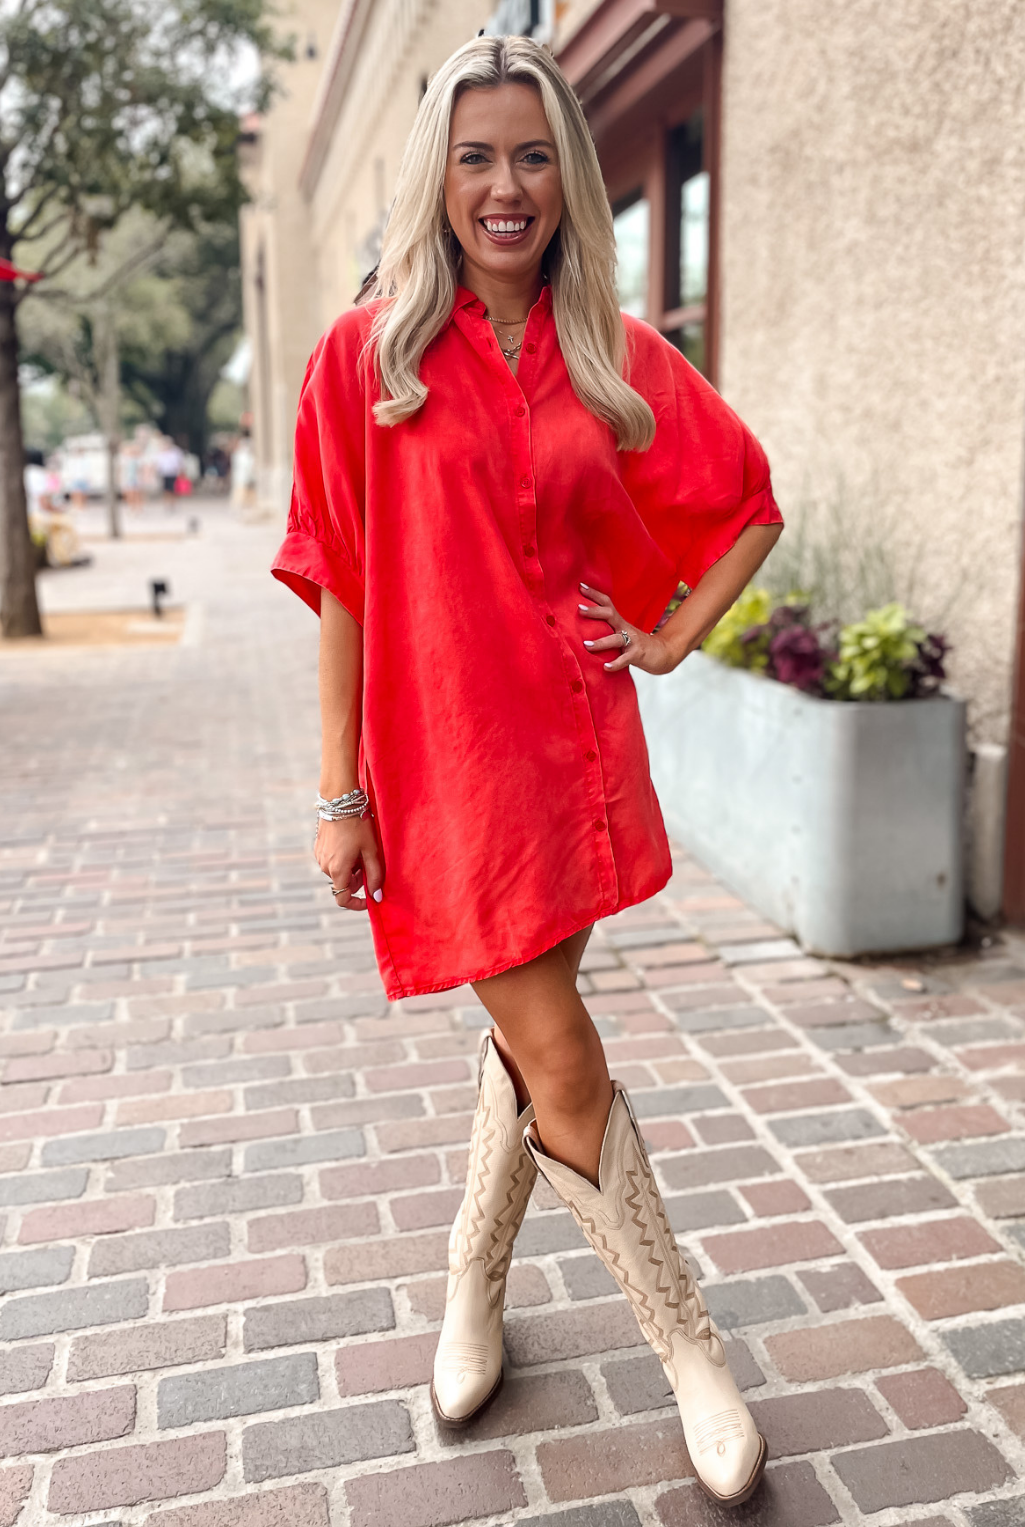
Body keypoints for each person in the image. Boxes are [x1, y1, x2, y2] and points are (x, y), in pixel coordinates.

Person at [271, 35, 783, 1509]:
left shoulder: (610, 351)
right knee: (558, 1053)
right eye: (478, 156)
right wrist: (339, 791)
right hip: (441, 775)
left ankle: (470, 1290)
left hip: (573, 755)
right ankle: (687, 1347)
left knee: (530, 1040)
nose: (507, 185)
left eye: (534, 155)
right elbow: (339, 581)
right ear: (437, 175)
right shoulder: (363, 358)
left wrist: (672, 635)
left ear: (567, 177)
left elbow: (748, 501)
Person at [155, 437, 184, 510]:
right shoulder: (160, 453)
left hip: (173, 473)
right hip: (164, 473)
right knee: (166, 490)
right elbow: (158, 463)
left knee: (174, 489)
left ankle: (173, 503)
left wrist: (180, 471)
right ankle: (167, 504)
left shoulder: (175, 451)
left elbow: (179, 462)